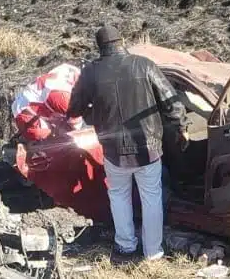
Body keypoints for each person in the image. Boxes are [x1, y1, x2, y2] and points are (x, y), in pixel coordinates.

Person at [66, 26, 189, 265]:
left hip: (113, 151)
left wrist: (95, 113)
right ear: (121, 42)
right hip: (148, 148)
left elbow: (74, 108)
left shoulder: (90, 72)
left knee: (119, 196)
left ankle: (125, 246)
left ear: (100, 47)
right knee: (151, 198)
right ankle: (152, 253)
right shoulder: (144, 65)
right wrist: (181, 128)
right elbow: (171, 102)